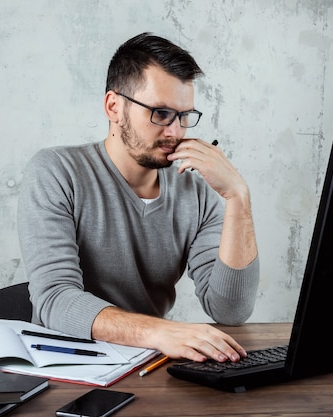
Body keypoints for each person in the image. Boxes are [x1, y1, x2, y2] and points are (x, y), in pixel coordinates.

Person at [17, 32, 259, 363]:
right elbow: (56, 299)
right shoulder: (56, 171)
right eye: (160, 113)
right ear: (114, 107)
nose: (175, 131)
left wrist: (238, 198)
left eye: (184, 115)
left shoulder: (196, 189)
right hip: (65, 362)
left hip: (149, 363)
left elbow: (230, 310)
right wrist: (159, 332)